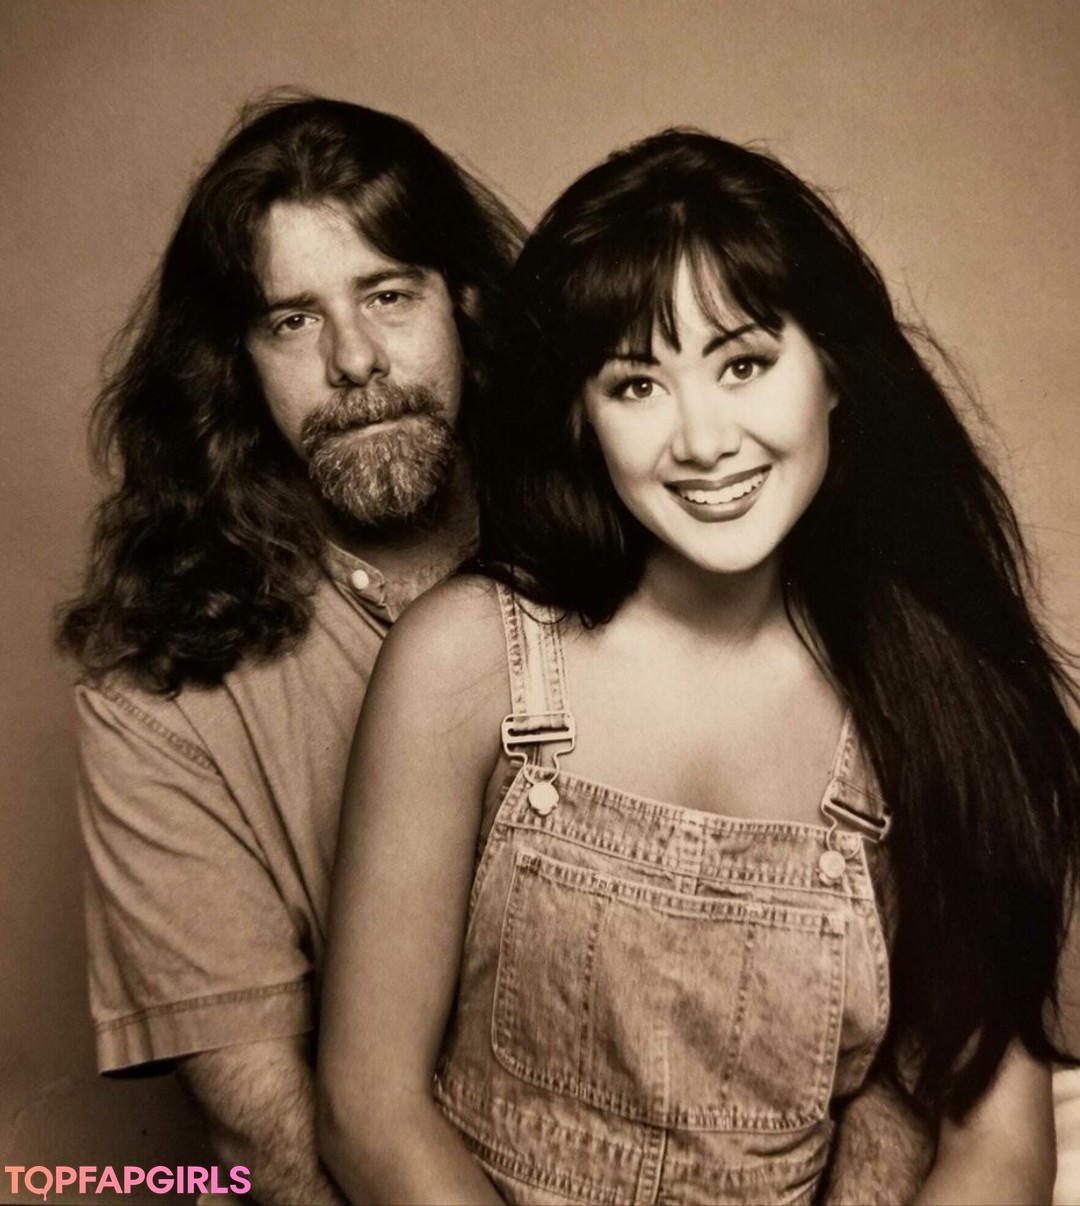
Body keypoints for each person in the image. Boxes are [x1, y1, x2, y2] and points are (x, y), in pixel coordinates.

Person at [318, 129, 1079, 1203]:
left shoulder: (925, 698)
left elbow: (999, 1146)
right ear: (581, 417)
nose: (704, 440)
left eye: (744, 365)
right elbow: (367, 1109)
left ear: (834, 372)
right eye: (637, 385)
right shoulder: (468, 659)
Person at [57, 94, 523, 1204]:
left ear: (464, 302)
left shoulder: (637, 526)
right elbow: (266, 1141)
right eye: (293, 321)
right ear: (236, 366)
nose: (354, 359)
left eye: (389, 295)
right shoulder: (155, 696)